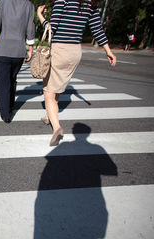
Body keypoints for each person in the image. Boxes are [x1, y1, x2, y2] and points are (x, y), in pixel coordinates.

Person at [37, 0, 117, 146]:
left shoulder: (63, 0)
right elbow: (97, 29)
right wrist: (108, 50)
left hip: (59, 50)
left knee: (48, 92)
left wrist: (40, 16)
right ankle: (49, 116)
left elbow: (51, 28)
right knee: (58, 85)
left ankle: (57, 129)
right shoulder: (90, 3)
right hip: (75, 52)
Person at [0, 0, 35, 123]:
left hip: (3, 49)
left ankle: (5, 114)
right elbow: (30, 28)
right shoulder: (29, 5)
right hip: (19, 51)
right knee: (12, 79)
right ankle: (11, 106)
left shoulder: (2, 3)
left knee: (3, 83)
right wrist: (30, 50)